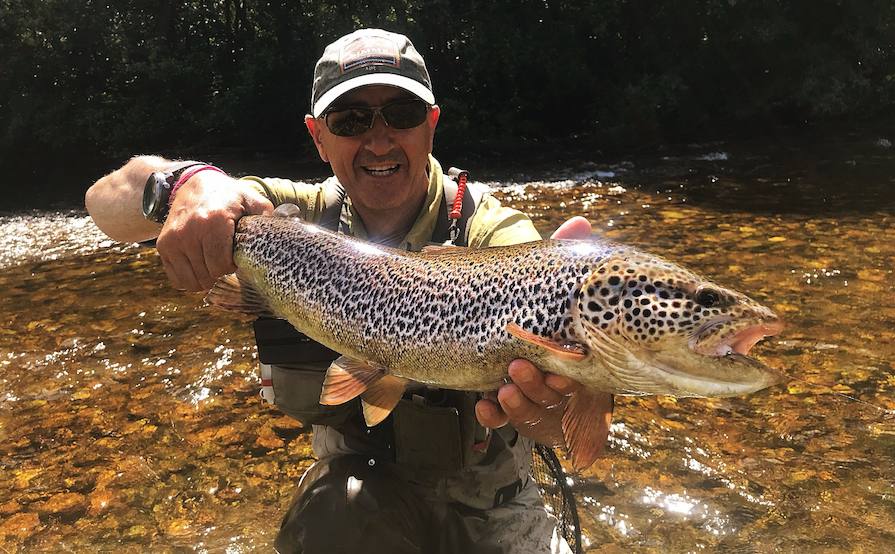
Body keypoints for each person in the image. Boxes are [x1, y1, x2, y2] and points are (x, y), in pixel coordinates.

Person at [86, 28, 613, 554]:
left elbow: (571, 427)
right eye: (351, 120)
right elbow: (102, 202)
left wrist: (554, 411)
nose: (379, 140)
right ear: (318, 136)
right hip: (356, 494)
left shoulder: (491, 230)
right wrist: (186, 185)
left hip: (491, 502)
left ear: (431, 124)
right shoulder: (284, 214)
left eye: (401, 115)